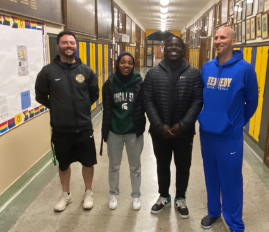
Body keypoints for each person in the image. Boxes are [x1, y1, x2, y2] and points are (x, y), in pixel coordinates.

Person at [197, 26, 258, 232]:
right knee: (211, 175)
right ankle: (214, 211)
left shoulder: (245, 69)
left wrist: (237, 121)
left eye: (223, 37)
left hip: (229, 135)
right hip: (207, 133)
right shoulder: (206, 67)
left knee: (231, 180)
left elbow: (252, 101)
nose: (218, 41)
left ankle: (236, 226)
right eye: (216, 37)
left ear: (233, 41)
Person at [34, 30, 99, 212]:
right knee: (64, 164)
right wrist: (56, 106)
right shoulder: (48, 71)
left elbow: (94, 94)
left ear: (76, 45)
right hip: (61, 129)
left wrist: (83, 106)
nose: (69, 46)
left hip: (84, 127)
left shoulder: (86, 71)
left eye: (71, 42)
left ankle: (88, 192)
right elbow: (40, 95)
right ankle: (66, 194)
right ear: (58, 46)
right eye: (65, 43)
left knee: (88, 162)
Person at [142, 35, 203, 218]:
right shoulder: (153, 73)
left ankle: (180, 198)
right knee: (162, 164)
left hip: (184, 133)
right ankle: (164, 196)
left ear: (183, 49)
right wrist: (159, 125)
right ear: (164, 48)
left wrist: (182, 125)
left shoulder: (193, 73)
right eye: (170, 45)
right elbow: (147, 100)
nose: (173, 48)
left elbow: (197, 101)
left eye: (177, 45)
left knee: (183, 165)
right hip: (159, 132)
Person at [101, 52, 146, 211]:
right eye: (122, 62)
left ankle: (136, 195)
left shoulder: (140, 83)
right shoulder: (110, 84)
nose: (126, 65)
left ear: (133, 65)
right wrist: (105, 131)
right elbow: (106, 108)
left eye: (129, 63)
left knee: (135, 166)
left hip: (134, 131)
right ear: (117, 63)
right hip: (114, 131)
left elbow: (145, 106)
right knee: (114, 166)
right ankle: (114, 193)